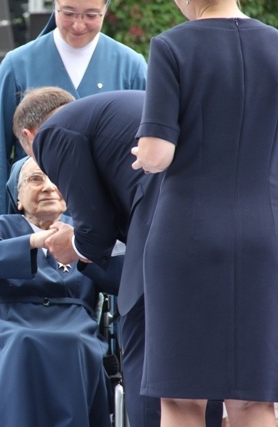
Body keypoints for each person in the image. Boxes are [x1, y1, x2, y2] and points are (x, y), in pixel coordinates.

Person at [32, 90, 223, 427]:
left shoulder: (52, 133)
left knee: (150, 359)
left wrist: (72, 245)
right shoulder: (121, 112)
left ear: (29, 137)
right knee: (204, 365)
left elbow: (95, 229)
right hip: (222, 224)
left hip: (164, 223)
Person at [131, 1, 278, 425]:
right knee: (254, 400)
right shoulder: (274, 44)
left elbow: (159, 154)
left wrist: (143, 151)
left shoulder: (171, 46)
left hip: (187, 236)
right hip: (263, 233)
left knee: (182, 398)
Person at [0, 157, 111, 427]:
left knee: (75, 343)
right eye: (36, 179)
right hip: (7, 322)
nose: (49, 187)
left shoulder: (85, 231)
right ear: (18, 198)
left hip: (73, 323)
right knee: (22, 341)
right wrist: (32, 241)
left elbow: (121, 273)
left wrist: (83, 252)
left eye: (56, 179)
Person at [0, 0, 148, 224]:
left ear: (105, 10)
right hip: (36, 215)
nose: (78, 25)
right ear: (54, 5)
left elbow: (146, 147)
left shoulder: (131, 65)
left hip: (109, 215)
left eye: (91, 15)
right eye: (69, 13)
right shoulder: (18, 63)